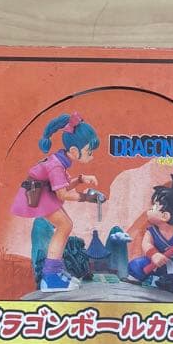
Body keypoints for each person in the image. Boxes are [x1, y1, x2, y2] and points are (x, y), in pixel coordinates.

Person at [11, 111, 103, 290]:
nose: (91, 156)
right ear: (74, 151)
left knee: (66, 225)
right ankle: (50, 277)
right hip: (38, 194)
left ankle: (56, 271)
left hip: (43, 192)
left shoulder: (60, 161)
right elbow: (63, 194)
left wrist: (81, 179)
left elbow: (63, 186)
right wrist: (87, 197)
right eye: (89, 152)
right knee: (64, 226)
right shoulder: (56, 166)